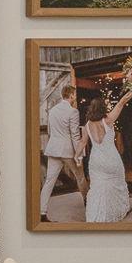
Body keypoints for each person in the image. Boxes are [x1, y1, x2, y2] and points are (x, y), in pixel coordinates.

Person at [83, 93, 132, 223]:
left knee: (97, 188)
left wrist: (77, 155)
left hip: (96, 161)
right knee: (117, 184)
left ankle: (95, 215)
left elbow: (82, 143)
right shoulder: (108, 120)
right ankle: (119, 209)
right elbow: (122, 101)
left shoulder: (87, 125)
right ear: (103, 108)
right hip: (111, 159)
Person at [40, 83, 87, 221]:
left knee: (49, 181)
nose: (75, 97)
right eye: (74, 95)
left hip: (53, 149)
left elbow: (49, 131)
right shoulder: (73, 111)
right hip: (67, 151)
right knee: (80, 176)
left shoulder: (52, 110)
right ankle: (88, 203)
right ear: (71, 95)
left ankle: (42, 213)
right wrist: (79, 154)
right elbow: (75, 135)